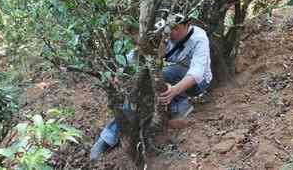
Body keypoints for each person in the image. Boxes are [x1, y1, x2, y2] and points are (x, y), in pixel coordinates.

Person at [90, 14, 212, 162]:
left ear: (187, 25)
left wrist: (174, 90)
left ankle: (177, 104)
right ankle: (109, 137)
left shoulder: (199, 37)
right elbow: (137, 53)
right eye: (169, 28)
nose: (171, 32)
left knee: (164, 75)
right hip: (168, 75)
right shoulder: (162, 30)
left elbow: (197, 73)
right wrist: (120, 71)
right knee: (139, 85)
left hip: (196, 83)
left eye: (176, 28)